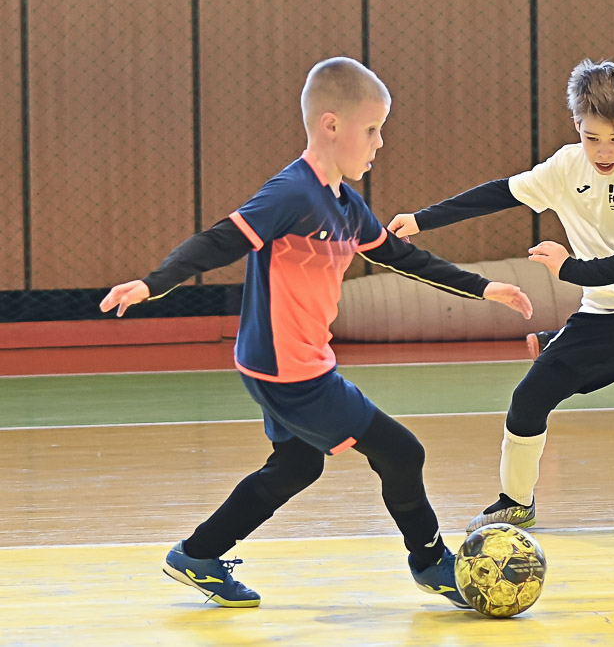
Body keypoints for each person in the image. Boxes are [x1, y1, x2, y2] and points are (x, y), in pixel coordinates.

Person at [99, 57, 533, 609]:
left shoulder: (347, 205)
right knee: (402, 453)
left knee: (297, 465)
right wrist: (153, 283)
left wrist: (484, 287)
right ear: (331, 125)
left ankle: (198, 555)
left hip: (282, 363)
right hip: (291, 371)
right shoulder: (292, 194)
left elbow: (401, 256)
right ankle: (431, 564)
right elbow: (220, 240)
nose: (379, 143)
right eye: (371, 129)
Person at [388, 59, 614, 533]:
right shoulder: (566, 166)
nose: (603, 151)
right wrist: (421, 220)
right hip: (608, 310)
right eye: (592, 137)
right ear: (576, 125)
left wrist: (569, 269)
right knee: (529, 398)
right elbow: (500, 193)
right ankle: (515, 501)